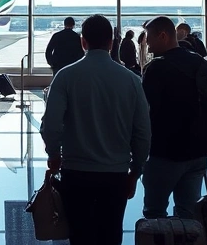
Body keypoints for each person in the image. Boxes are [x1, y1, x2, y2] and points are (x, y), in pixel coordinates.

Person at [40, 14, 151, 245]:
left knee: (80, 234)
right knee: (110, 233)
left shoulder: (65, 76)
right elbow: (142, 132)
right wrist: (135, 171)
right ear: (112, 43)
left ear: (83, 42)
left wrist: (54, 155)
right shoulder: (131, 80)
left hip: (75, 172)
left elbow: (50, 125)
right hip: (116, 174)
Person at [141, 16, 207, 219]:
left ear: (162, 36)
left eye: (148, 37)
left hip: (165, 153)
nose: (147, 43)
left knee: (155, 213)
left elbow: (146, 111)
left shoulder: (157, 68)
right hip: (198, 152)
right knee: (188, 213)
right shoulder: (200, 63)